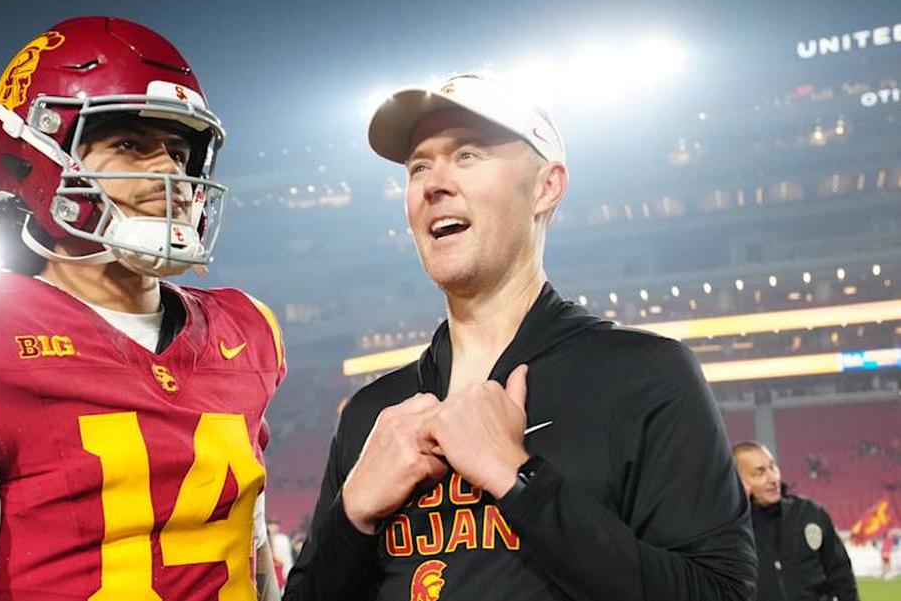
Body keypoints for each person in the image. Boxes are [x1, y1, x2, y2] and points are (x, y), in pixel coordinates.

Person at [0, 16, 286, 601]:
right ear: (36, 153)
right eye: (129, 144)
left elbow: (254, 573)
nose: (169, 174)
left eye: (179, 150)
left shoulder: (241, 333)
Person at [284, 74, 756, 601]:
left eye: (467, 156)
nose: (432, 183)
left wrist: (520, 480)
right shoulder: (374, 412)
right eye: (419, 166)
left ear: (546, 186)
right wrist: (352, 513)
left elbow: (720, 593)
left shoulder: (643, 374)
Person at [732, 441, 859, 601]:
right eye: (760, 473)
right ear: (737, 480)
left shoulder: (809, 513)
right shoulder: (729, 530)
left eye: (773, 467)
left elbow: (841, 576)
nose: (773, 478)